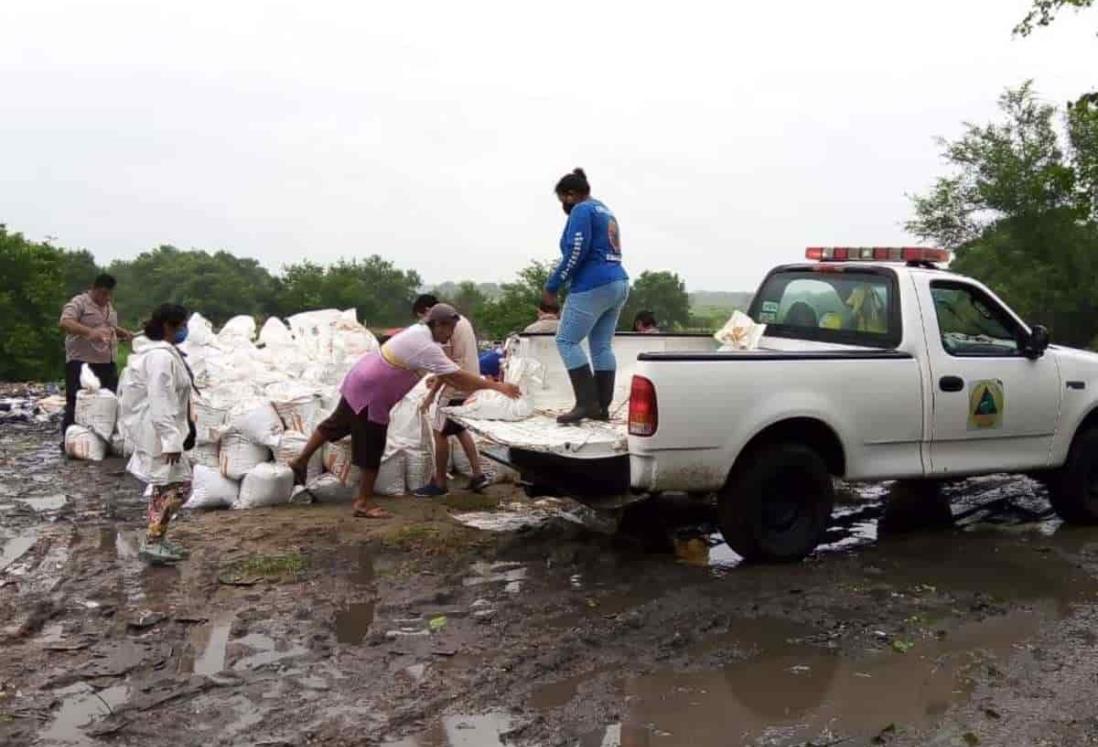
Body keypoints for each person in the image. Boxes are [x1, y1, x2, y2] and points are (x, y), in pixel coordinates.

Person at [289, 304, 520, 518]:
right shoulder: (426, 345)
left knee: (336, 423)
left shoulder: (418, 333)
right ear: (437, 324)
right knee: (373, 445)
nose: (450, 335)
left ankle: (301, 460)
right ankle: (363, 503)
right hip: (373, 392)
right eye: (449, 329)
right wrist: (497, 386)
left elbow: (447, 372)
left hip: (359, 378)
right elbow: (457, 377)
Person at [542, 168, 629, 423]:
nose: (563, 206)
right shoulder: (605, 209)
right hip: (618, 281)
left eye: (562, 200)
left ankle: (586, 403)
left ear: (571, 195)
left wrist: (552, 285)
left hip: (593, 284)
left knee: (566, 341)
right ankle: (602, 408)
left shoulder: (582, 209)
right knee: (600, 346)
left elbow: (577, 250)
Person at [121, 304, 194, 565]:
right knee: (179, 486)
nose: (185, 330)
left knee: (167, 485)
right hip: (159, 431)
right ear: (168, 326)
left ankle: (158, 539)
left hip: (163, 429)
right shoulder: (159, 357)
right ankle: (153, 541)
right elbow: (160, 398)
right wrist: (170, 440)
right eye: (182, 325)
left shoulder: (163, 353)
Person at [411, 295, 493, 497]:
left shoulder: (446, 325)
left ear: (431, 311)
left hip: (455, 387)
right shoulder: (462, 321)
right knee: (458, 429)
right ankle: (478, 474)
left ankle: (439, 483)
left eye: (424, 317)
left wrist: (431, 394)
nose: (426, 324)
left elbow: (446, 365)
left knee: (439, 433)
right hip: (470, 382)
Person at [58, 274, 134, 448]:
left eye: (109, 294)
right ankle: (70, 440)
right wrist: (89, 332)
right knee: (77, 402)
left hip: (107, 362)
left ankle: (102, 440)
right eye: (102, 293)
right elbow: (65, 322)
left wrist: (124, 333)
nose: (105, 298)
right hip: (82, 362)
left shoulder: (108, 307)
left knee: (109, 400)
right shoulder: (79, 303)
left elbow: (110, 327)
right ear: (94, 288)